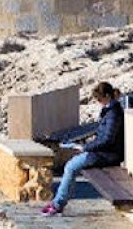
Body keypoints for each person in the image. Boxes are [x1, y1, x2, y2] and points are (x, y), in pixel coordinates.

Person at [41, 81, 125, 216]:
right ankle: (57, 201)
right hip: (103, 152)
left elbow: (107, 140)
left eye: (99, 99)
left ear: (107, 96)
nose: (99, 102)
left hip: (107, 154)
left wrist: (86, 147)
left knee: (71, 167)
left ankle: (58, 204)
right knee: (68, 152)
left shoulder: (113, 114)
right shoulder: (110, 110)